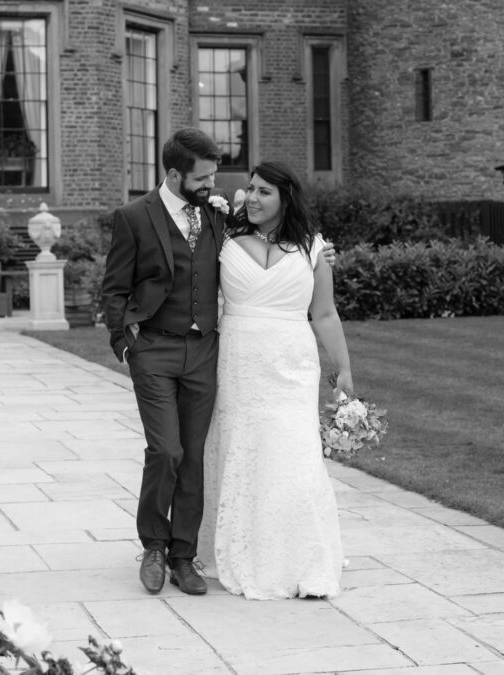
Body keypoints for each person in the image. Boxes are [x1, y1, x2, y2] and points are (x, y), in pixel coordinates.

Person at [197, 160, 353, 600]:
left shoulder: (314, 249)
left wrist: (344, 368)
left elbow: (324, 313)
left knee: (295, 455)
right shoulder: (223, 238)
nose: (252, 197)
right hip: (238, 363)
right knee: (241, 452)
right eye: (250, 189)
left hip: (292, 364)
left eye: (264, 191)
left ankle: (302, 556)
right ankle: (241, 547)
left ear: (286, 198)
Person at [102, 128, 225, 596]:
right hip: (153, 348)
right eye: (202, 178)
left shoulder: (215, 215)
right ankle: (153, 546)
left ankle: (183, 556)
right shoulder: (134, 216)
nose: (210, 185)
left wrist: (317, 250)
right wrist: (124, 343)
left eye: (212, 176)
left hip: (204, 350)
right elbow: (114, 287)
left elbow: (267, 237)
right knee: (166, 451)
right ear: (174, 175)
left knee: (192, 456)